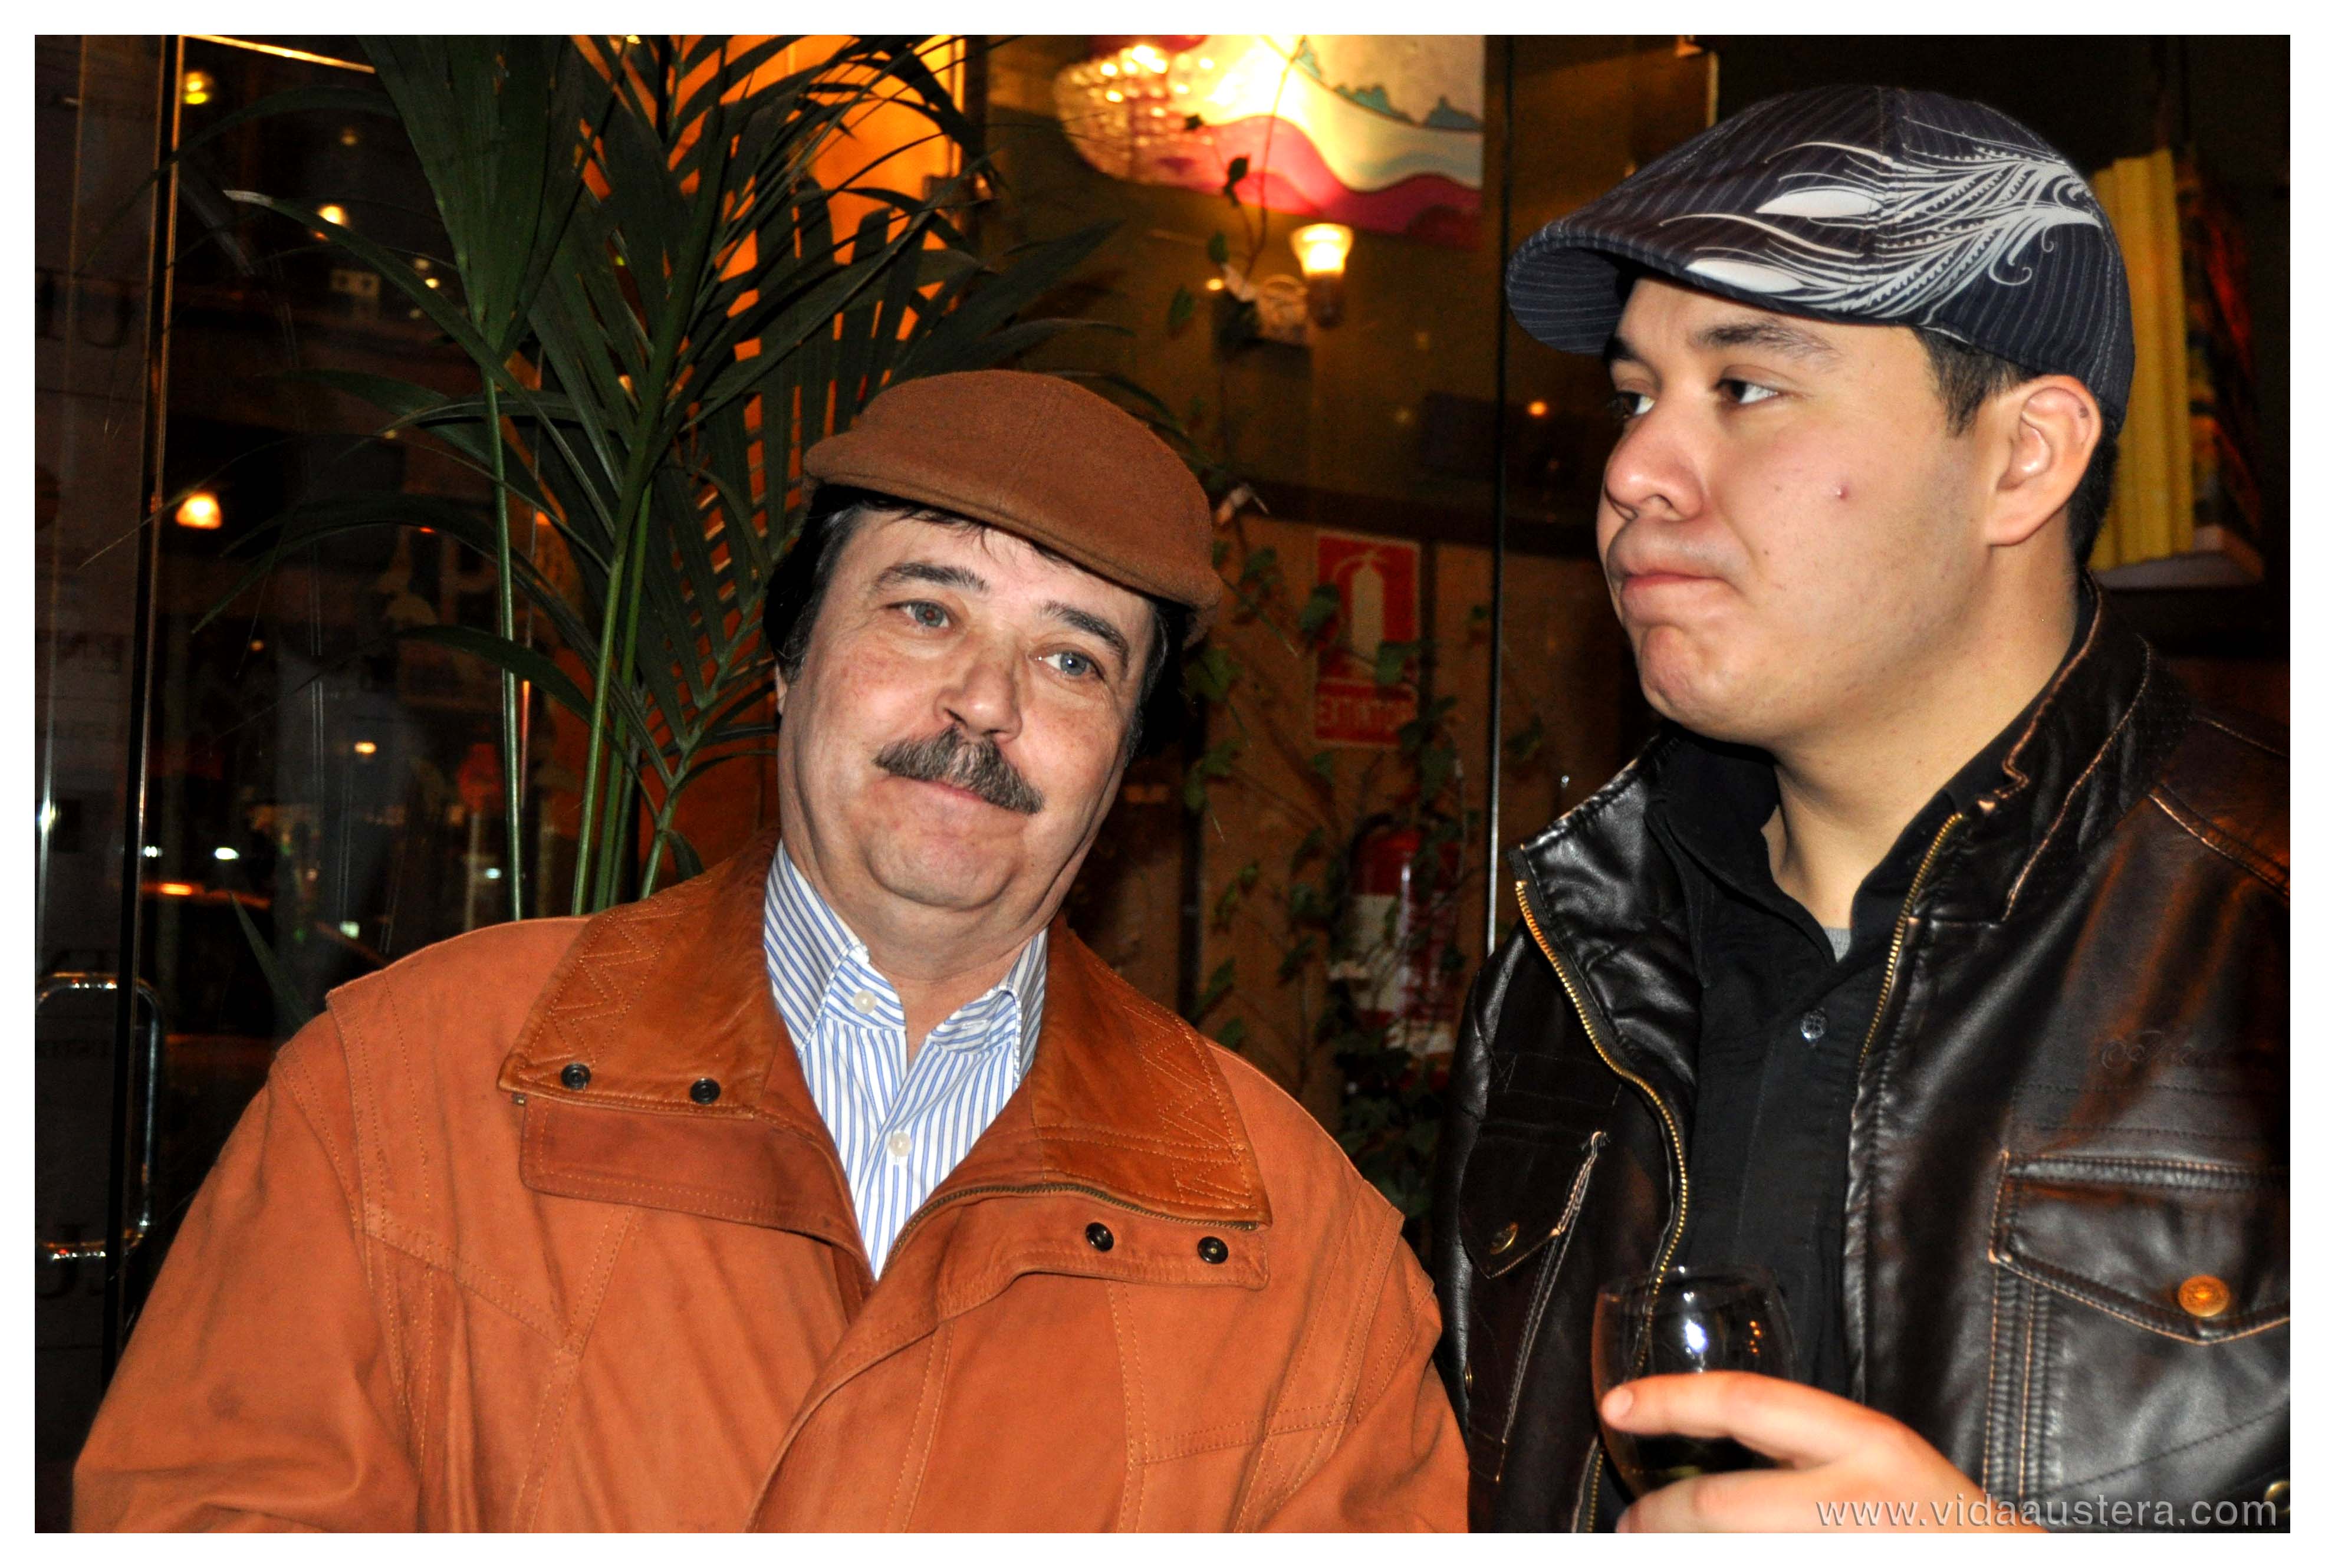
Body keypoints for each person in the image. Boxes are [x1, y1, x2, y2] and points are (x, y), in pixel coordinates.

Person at [76, 370, 1468, 1531]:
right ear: (789, 662)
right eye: (925, 609)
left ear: (1127, 765)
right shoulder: (401, 1090)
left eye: (1074, 660)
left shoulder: (1308, 1248)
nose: (985, 701)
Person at [1433, 86, 2285, 1531]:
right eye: (1634, 396)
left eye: (1744, 387)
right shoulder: (1570, 959)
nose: (1630, 471)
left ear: (2023, 456)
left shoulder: (2268, 928)